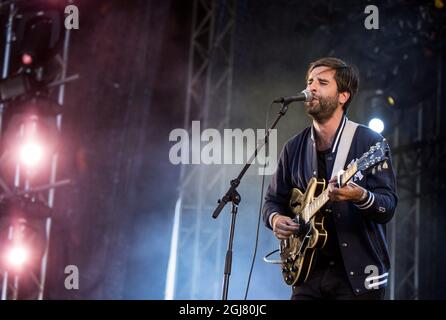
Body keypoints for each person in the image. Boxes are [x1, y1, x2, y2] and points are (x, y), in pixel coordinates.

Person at [263, 57, 398, 300]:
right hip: (307, 276)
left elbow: (387, 207)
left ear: (343, 96)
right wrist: (275, 219)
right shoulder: (293, 147)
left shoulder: (370, 143)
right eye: (310, 81)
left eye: (322, 82)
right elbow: (272, 201)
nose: (311, 87)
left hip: (357, 279)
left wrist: (361, 196)